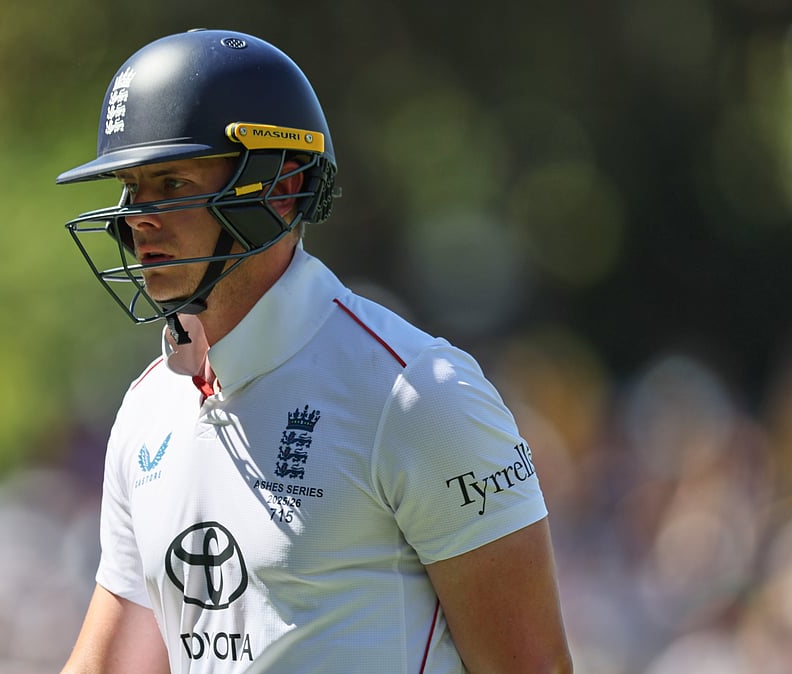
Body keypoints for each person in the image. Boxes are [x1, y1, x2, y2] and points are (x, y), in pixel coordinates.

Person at [57, 28, 572, 674]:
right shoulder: (146, 408)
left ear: (280, 188)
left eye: (171, 182)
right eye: (132, 188)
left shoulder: (418, 394)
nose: (139, 217)